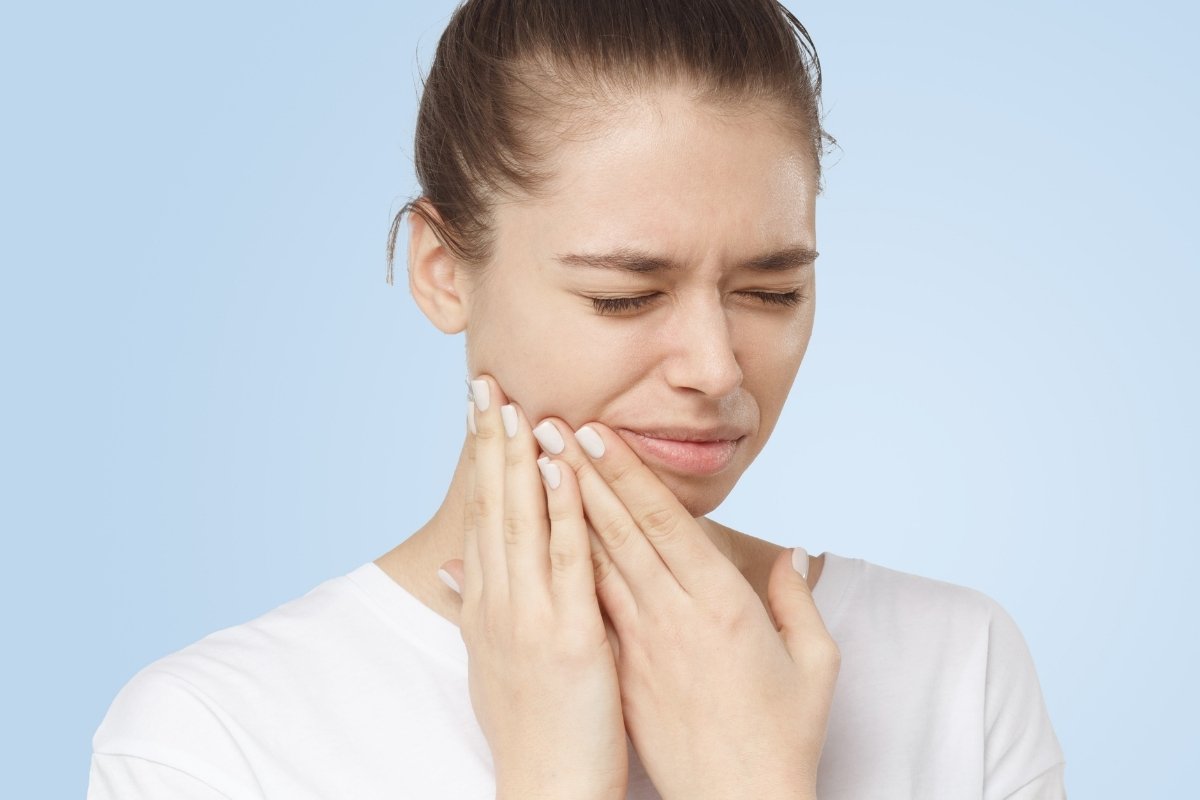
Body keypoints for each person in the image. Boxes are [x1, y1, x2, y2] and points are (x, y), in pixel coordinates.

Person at [88, 1, 1067, 798]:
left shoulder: (954, 666)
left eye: (772, 291)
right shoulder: (212, 737)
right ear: (442, 270)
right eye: (624, 295)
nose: (718, 369)